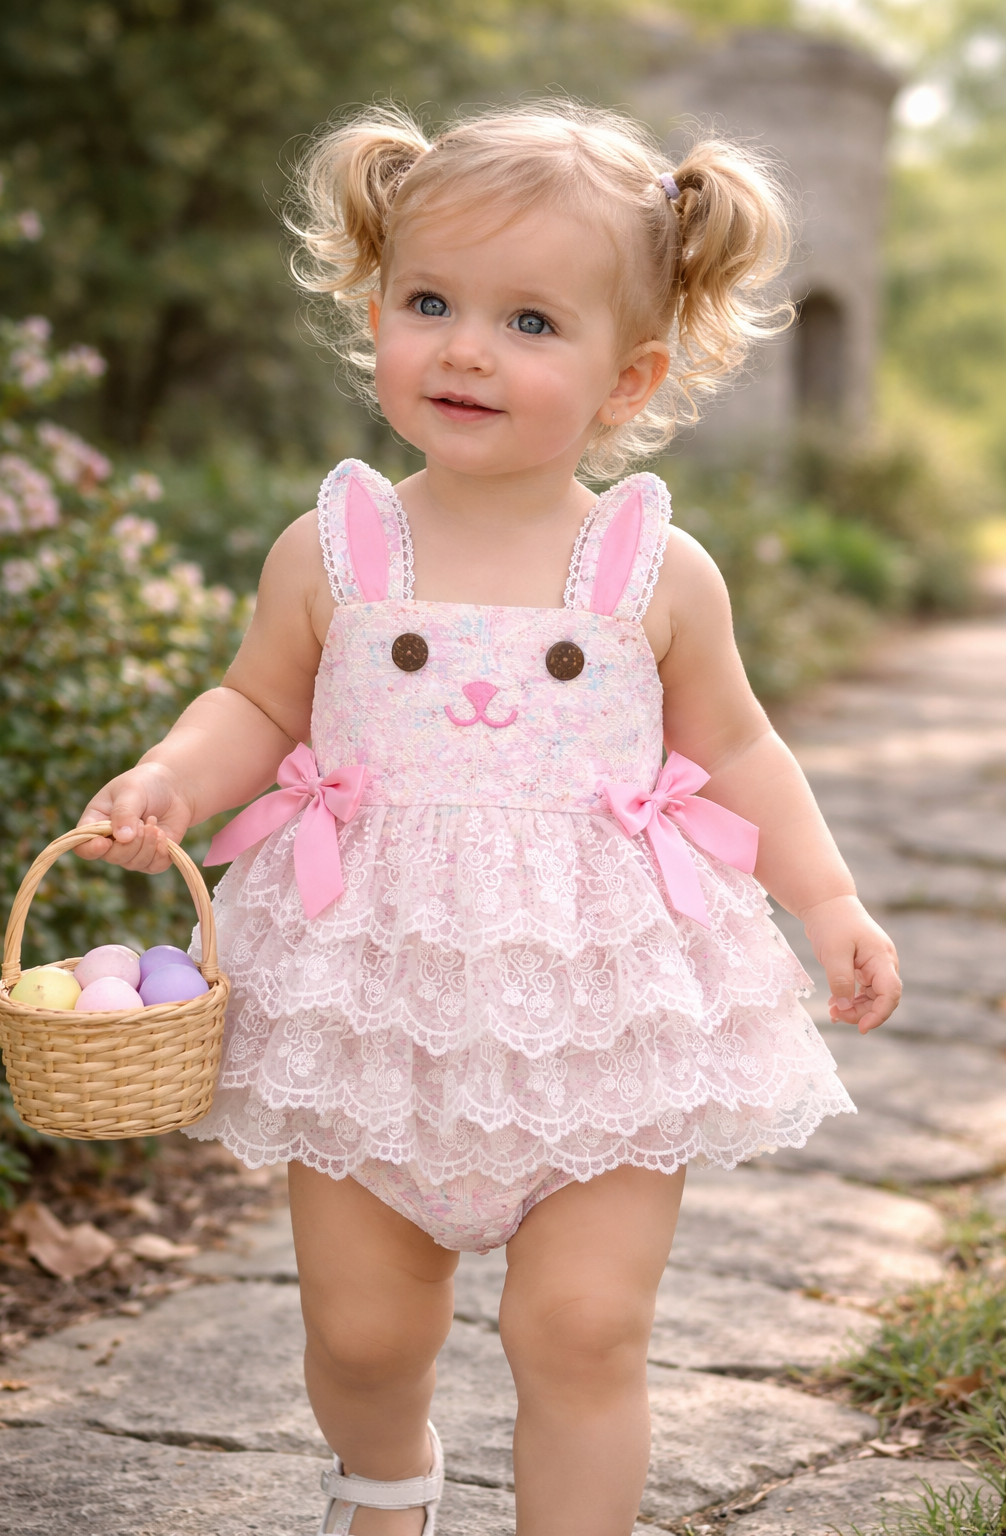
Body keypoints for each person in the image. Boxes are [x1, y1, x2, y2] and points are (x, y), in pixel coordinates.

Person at [78, 101, 901, 1536]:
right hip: (372, 1003)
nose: (466, 348)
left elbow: (738, 748)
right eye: (431, 303)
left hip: (600, 1013)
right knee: (361, 1335)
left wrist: (826, 901)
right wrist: (170, 776)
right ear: (376, 311)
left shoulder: (653, 571)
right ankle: (384, 1482)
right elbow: (258, 704)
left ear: (628, 376)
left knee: (583, 1330)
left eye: (529, 322)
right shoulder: (337, 549)